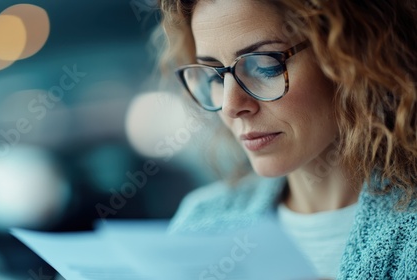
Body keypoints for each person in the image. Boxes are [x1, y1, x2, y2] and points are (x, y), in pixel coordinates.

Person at [157, 0, 417, 278]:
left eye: (265, 65)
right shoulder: (202, 223)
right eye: (216, 78)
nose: (231, 106)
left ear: (350, 59)